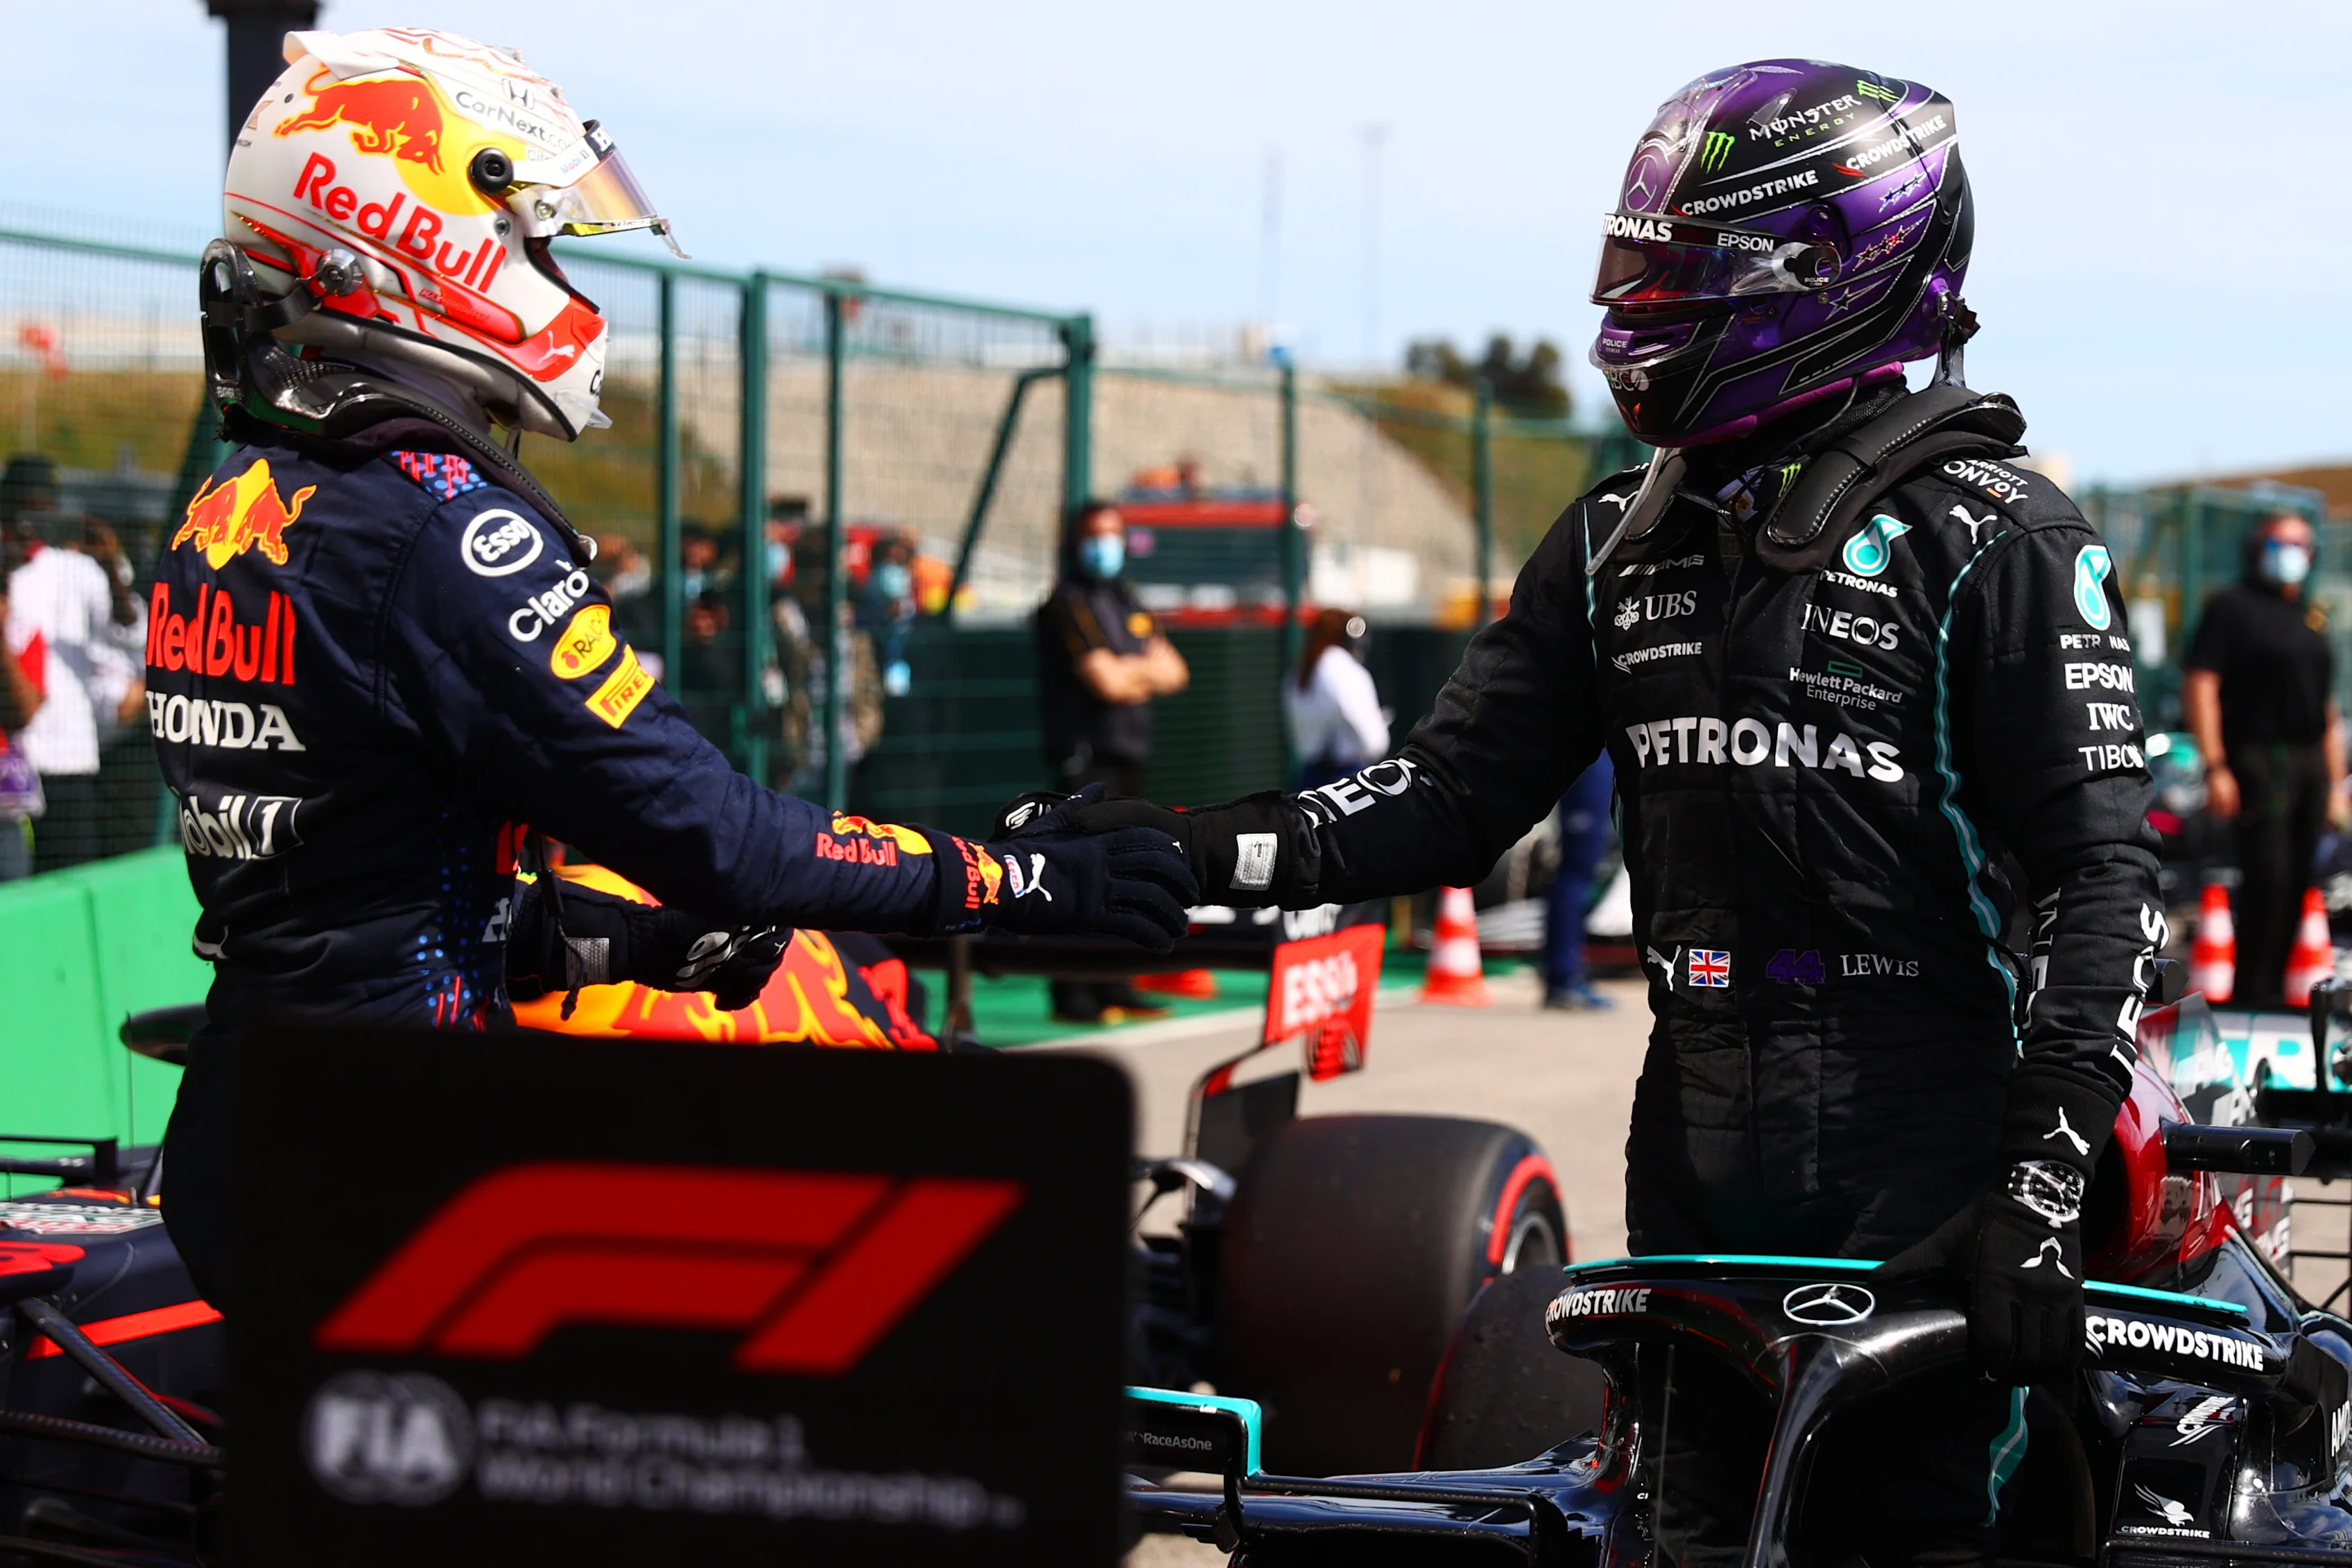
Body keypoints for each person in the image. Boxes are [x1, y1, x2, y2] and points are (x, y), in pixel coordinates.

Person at [1008, 60, 2158, 1568]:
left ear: (1838, 263)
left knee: (1917, 1528)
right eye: (1641, 265)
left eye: (1689, 272)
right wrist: (1172, 842)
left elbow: (2104, 875)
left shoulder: (1998, 536)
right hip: (1690, 1117)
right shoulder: (1618, 536)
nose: (1645, 305)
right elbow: (1435, 804)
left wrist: (2037, 1183)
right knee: (1683, 1532)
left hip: (1923, 1132)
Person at [159, 26, 1195, 1307]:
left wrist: (595, 941)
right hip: (412, 1169)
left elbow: (334, 909)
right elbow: (721, 839)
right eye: (538, 241)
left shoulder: (237, 506)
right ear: (413, 231)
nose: (558, 279)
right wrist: (1025, 878)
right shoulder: (440, 527)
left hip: (250, 1138)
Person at [2184, 514, 2348, 1009]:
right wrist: (2215, 765)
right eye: (2281, 542)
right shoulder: (2232, 609)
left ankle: (2275, 987)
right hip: (2260, 758)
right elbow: (2201, 683)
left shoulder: (2309, 615)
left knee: (2300, 878)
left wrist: (2336, 784)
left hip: (2308, 762)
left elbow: (2326, 708)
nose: (2291, 551)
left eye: (2301, 542)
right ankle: (2252, 993)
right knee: (2268, 875)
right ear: (2258, 548)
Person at [1035, 498, 1191, 1023]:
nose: (1106, 546)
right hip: (1087, 755)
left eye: (1114, 535)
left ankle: (1115, 981)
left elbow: (1176, 671)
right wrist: (1137, 671)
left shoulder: (1126, 599)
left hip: (1130, 751)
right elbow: (1106, 681)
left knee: (1127, 869)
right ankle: (1075, 992)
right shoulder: (1068, 602)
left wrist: (1132, 673)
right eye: (1095, 536)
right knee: (1079, 871)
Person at [1285, 609, 1388, 790]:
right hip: (1349, 776)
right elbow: (1363, 722)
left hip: (1311, 775)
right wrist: (1377, 743)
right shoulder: (1343, 670)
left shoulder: (1300, 671)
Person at [1541, 756, 1614, 1011]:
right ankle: (1563, 977)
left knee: (1581, 873)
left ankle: (1565, 976)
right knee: (1576, 872)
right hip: (1589, 754)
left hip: (1599, 754)